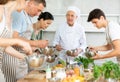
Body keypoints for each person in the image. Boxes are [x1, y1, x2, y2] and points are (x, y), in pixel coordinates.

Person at [11, 0, 48, 80]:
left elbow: (23, 39)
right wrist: (36, 43)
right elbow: (14, 37)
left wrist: (32, 48)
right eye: (38, 10)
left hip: (22, 57)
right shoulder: (19, 15)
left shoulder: (27, 17)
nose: (38, 14)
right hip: (14, 59)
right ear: (30, 3)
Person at [0, 0, 32, 82]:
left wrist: (24, 57)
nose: (26, 5)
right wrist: (17, 41)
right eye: (26, 2)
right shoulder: (0, 10)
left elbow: (4, 46)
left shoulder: (9, 16)